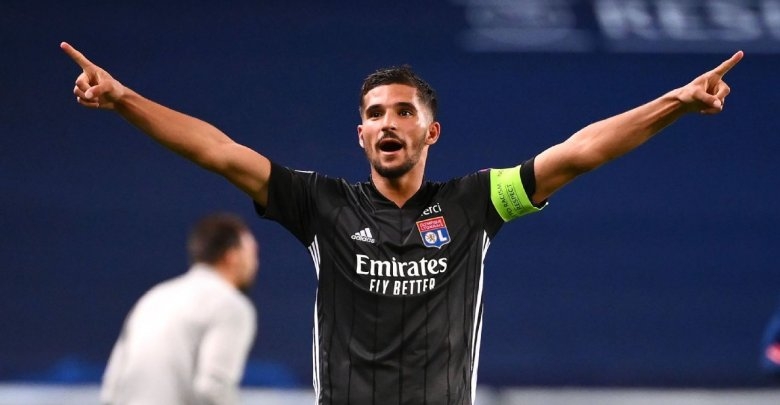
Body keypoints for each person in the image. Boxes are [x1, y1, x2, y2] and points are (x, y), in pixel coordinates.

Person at [61, 41, 742, 404]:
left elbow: (579, 152)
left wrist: (677, 102)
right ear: (361, 134)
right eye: (375, 114)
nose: (388, 122)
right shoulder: (320, 204)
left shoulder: (478, 202)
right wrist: (123, 99)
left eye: (403, 111)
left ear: (430, 131)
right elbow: (216, 150)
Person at [100, 213, 258, 405]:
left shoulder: (153, 299)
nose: (255, 264)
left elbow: (112, 387)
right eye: (252, 254)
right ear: (232, 256)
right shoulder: (230, 306)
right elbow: (213, 389)